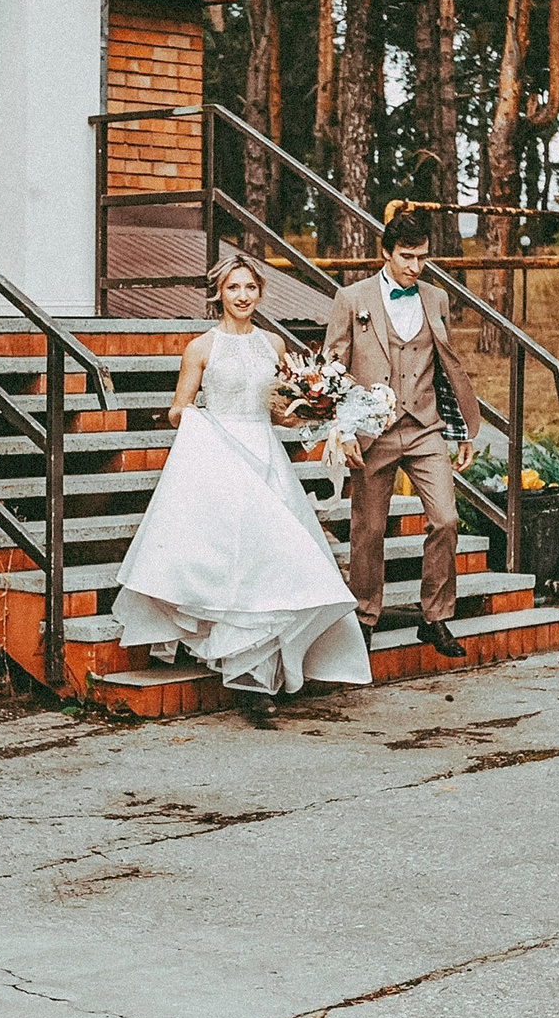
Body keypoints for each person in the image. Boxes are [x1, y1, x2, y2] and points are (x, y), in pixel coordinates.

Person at [110, 253, 372, 703]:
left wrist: (317, 410)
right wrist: (198, 421)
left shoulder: (273, 345)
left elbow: (278, 413)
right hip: (218, 456)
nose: (243, 296)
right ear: (219, 294)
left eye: (250, 287)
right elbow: (178, 408)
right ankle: (234, 661)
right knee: (229, 556)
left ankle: (265, 664)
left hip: (264, 453)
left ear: (260, 292)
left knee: (270, 557)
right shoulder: (201, 348)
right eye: (234, 288)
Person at [323, 209, 483, 658]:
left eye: (423, 258)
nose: (415, 267)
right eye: (407, 257)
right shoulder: (352, 298)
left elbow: (446, 367)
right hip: (373, 431)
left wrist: (462, 430)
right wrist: (345, 430)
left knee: (446, 519)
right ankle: (364, 617)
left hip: (425, 427)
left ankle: (435, 618)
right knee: (368, 530)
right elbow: (332, 367)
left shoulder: (436, 299)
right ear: (386, 253)